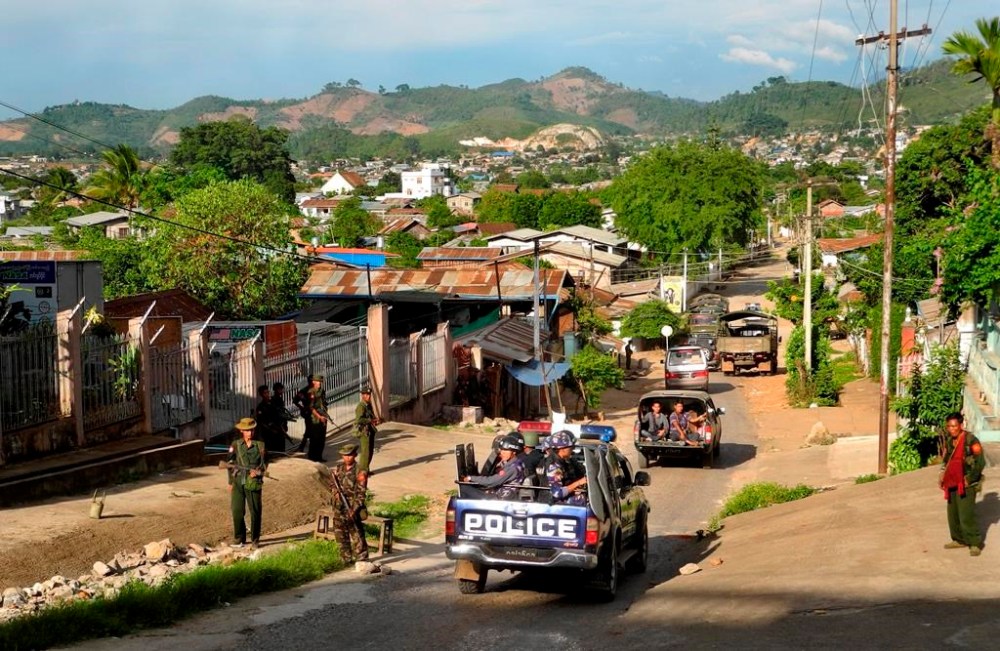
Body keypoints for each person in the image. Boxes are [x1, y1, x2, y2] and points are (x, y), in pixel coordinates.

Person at [939, 412, 986, 556]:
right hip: (952, 480)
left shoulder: (971, 440)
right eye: (949, 426)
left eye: (954, 426)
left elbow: (980, 462)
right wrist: (942, 473)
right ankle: (959, 539)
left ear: (961, 425)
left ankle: (974, 543)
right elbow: (947, 459)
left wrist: (970, 479)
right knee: (952, 514)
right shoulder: (949, 440)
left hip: (967, 482)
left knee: (966, 515)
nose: (951, 429)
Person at [227, 418, 267, 549]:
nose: (250, 433)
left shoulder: (260, 445)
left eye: (251, 430)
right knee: (237, 511)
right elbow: (230, 464)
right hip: (238, 480)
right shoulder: (235, 444)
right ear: (241, 431)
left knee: (255, 511)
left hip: (253, 481)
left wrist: (258, 471)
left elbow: (265, 463)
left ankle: (255, 539)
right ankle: (239, 539)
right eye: (247, 430)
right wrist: (230, 481)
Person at [329, 442, 369, 565]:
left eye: (350, 455)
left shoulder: (360, 471)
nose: (347, 458)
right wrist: (335, 492)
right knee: (340, 533)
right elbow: (331, 484)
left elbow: (361, 493)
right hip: (339, 506)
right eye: (344, 455)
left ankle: (362, 557)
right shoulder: (339, 468)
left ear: (355, 455)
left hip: (352, 506)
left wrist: (354, 509)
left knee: (356, 532)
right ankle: (345, 558)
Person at [461, 435, 526, 500]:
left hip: (501, 498)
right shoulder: (518, 462)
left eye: (506, 450)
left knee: (464, 488)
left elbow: (492, 481)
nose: (502, 453)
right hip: (504, 494)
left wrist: (471, 478)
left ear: (514, 452)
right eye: (501, 450)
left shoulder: (512, 468)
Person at [545, 431, 587, 506]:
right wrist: (578, 483)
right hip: (557, 504)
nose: (572, 449)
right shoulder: (554, 466)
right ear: (561, 448)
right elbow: (557, 493)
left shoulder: (563, 461)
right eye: (570, 447)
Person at [299, 375, 329, 462]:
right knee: (314, 438)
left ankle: (319, 456)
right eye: (318, 381)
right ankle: (312, 457)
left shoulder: (321, 391)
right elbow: (311, 407)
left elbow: (323, 403)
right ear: (313, 382)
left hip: (323, 416)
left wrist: (325, 415)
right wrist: (319, 417)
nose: (320, 383)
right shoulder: (311, 392)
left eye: (320, 381)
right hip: (315, 418)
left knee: (321, 438)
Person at [355, 385, 381, 475]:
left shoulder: (368, 405)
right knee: (365, 452)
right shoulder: (361, 406)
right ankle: (362, 471)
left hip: (370, 431)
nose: (368, 396)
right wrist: (370, 420)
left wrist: (375, 421)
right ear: (362, 395)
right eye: (366, 394)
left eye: (369, 394)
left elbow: (371, 416)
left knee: (370, 452)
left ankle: (366, 469)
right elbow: (359, 420)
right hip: (364, 432)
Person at [254, 384, 284, 458]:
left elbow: (279, 415)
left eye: (267, 392)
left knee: (280, 451)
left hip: (277, 430)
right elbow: (261, 422)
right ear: (261, 394)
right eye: (265, 393)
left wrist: (282, 426)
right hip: (268, 433)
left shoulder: (273, 403)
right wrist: (271, 429)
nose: (267, 394)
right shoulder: (260, 407)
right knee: (271, 453)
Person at [292, 375, 313, 455]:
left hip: (315, 413)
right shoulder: (304, 391)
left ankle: (302, 447)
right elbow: (295, 400)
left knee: (310, 430)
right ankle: (303, 447)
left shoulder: (317, 390)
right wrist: (301, 407)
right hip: (308, 413)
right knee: (309, 429)